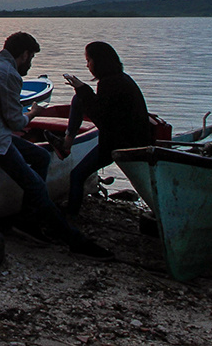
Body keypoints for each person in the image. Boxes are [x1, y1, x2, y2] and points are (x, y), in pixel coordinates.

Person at [0, 32, 113, 259]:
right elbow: (15, 122)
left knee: (40, 156)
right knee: (36, 186)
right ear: (25, 55)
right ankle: (75, 241)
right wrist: (33, 113)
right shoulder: (9, 74)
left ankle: (27, 220)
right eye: (31, 59)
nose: (30, 66)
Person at [62, 41, 153, 216]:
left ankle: (70, 215)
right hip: (123, 137)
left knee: (77, 175)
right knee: (78, 98)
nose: (87, 65)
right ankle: (67, 141)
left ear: (99, 61)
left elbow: (103, 119)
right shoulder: (120, 78)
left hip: (121, 142)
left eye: (88, 60)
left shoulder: (110, 83)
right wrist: (83, 91)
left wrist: (83, 90)